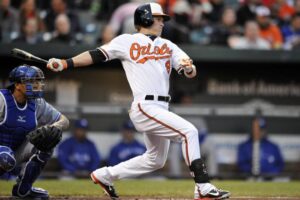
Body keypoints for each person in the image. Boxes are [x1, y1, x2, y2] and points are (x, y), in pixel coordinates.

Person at [46, 2, 230, 200]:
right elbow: (96, 54)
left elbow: (189, 69)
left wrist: (188, 68)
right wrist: (66, 62)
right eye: (159, 18)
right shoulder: (127, 41)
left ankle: (104, 175)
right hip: (145, 105)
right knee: (189, 132)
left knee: (155, 160)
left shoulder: (167, 45)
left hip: (161, 107)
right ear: (146, 18)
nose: (162, 23)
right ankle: (202, 186)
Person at [0, 65, 69, 199]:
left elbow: (64, 120)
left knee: (47, 141)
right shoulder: (2, 99)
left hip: (15, 153)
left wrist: (54, 127)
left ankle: (23, 190)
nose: (37, 85)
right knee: (4, 156)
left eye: (39, 81)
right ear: (18, 84)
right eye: (32, 81)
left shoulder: (37, 103)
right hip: (2, 153)